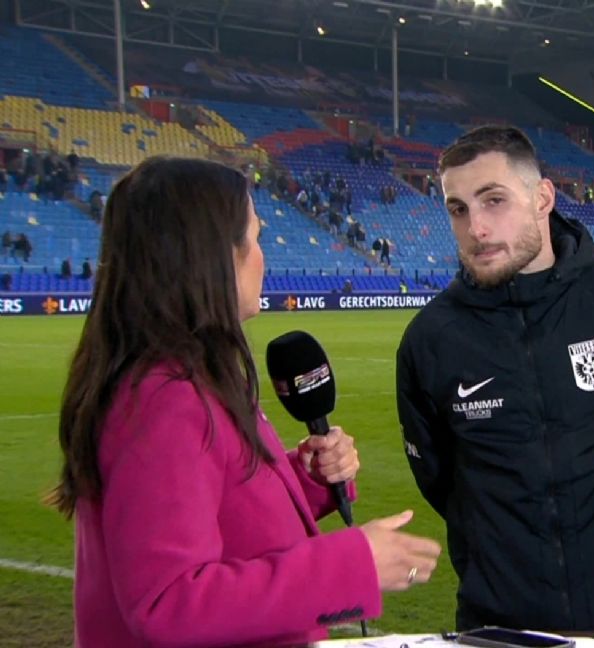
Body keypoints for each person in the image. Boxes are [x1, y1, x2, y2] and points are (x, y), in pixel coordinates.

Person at [49, 157, 441, 648]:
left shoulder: (183, 377)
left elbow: (215, 510)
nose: (262, 257)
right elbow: (169, 602)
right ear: (212, 257)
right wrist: (354, 564)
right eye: (255, 238)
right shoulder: (164, 398)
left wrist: (307, 479)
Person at [396, 126, 594, 632]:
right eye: (458, 209)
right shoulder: (430, 340)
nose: (476, 227)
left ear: (542, 198)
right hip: (500, 626)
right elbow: (440, 480)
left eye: (494, 200)